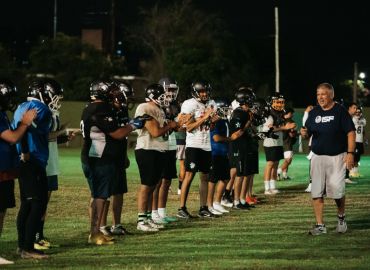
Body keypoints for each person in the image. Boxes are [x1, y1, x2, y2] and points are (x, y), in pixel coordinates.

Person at [81, 81, 145, 245]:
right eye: (111, 92)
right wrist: (132, 125)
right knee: (99, 196)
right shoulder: (100, 109)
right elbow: (116, 133)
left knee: (100, 195)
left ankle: (96, 231)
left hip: (97, 156)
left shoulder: (93, 107)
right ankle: (95, 233)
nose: (114, 95)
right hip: (99, 157)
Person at [301, 82, 355, 235]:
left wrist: (350, 153)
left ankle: (341, 218)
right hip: (317, 157)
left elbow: (350, 133)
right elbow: (308, 134)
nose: (320, 97)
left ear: (331, 95)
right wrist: (304, 134)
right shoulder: (314, 113)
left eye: (323, 94)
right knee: (316, 192)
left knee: (337, 192)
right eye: (318, 94)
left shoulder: (340, 111)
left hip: (337, 157)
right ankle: (320, 225)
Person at [13, 79, 55, 259]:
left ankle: (22, 246)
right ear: (43, 93)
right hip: (33, 160)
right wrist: (25, 151)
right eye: (51, 94)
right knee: (37, 204)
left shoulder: (22, 105)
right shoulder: (40, 108)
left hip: (24, 161)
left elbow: (29, 130)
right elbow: (27, 127)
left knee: (27, 204)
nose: (53, 98)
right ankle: (28, 248)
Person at [0, 79, 37, 264]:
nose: (10, 100)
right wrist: (25, 123)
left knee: (2, 210)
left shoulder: (2, 114)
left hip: (5, 169)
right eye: (7, 97)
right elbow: (13, 138)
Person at [134, 83, 179, 231]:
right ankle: (141, 221)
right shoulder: (144, 107)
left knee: (153, 186)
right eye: (162, 96)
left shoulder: (160, 109)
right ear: (153, 96)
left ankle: (147, 218)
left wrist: (176, 125)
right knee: (146, 186)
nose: (165, 98)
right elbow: (155, 132)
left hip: (159, 150)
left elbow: (165, 133)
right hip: (147, 149)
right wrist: (170, 125)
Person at [98, 80, 135, 237]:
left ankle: (116, 224)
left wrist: (124, 154)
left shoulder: (122, 109)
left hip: (118, 154)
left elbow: (123, 135)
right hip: (106, 155)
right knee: (103, 193)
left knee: (119, 191)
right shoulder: (105, 110)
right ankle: (101, 226)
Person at [177, 81, 217, 219]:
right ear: (195, 92)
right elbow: (188, 127)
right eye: (202, 92)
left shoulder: (211, 103)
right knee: (189, 175)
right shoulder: (189, 104)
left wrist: (212, 121)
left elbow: (210, 128)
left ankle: (203, 207)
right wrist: (205, 117)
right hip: (193, 144)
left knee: (205, 177)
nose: (204, 94)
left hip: (206, 145)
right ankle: (182, 208)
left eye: (206, 91)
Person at [34, 78, 65, 250]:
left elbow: (51, 138)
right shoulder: (39, 111)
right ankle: (34, 236)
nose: (57, 100)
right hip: (43, 161)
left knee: (44, 202)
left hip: (51, 160)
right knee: (38, 201)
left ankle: (39, 235)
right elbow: (43, 136)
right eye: (55, 96)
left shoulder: (52, 113)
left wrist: (62, 137)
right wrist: (60, 132)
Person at [262, 93, 296, 195]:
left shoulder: (280, 114)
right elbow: (267, 129)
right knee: (270, 164)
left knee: (276, 165)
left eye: (281, 102)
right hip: (270, 142)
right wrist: (285, 128)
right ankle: (267, 188)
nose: (280, 104)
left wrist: (290, 128)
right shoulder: (269, 115)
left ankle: (273, 186)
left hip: (278, 142)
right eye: (277, 102)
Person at [277, 107, 298, 180]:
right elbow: (291, 135)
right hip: (287, 142)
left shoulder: (279, 120)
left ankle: (285, 175)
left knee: (287, 159)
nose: (292, 115)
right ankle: (278, 171)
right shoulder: (290, 121)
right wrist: (295, 133)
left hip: (280, 142)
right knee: (288, 160)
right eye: (291, 113)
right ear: (288, 113)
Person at [347, 104, 366, 181]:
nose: (358, 113)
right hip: (355, 140)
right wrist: (359, 117)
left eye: (359, 112)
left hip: (360, 140)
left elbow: (364, 123)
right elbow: (357, 121)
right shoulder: (353, 119)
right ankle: (351, 172)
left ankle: (356, 171)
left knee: (358, 158)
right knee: (354, 157)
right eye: (356, 112)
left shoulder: (362, 120)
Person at [302, 105, 314, 192]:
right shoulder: (313, 118)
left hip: (327, 144)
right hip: (313, 144)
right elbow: (305, 125)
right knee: (313, 165)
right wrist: (306, 112)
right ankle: (311, 184)